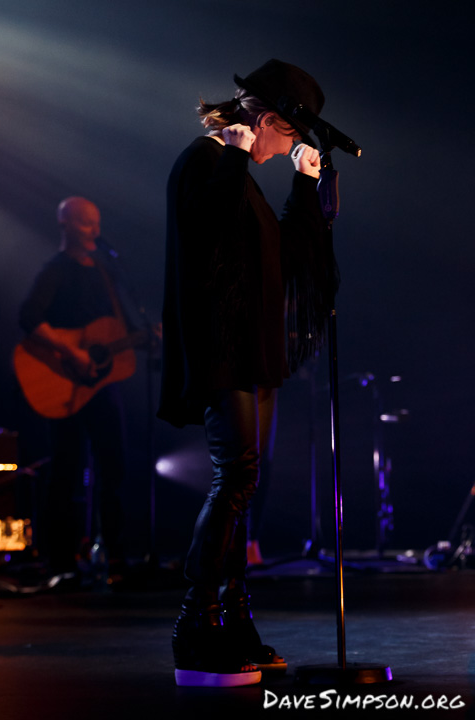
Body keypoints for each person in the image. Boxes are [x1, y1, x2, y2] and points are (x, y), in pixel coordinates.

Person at [158, 59, 338, 687]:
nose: (287, 147)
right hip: (220, 348)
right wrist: (236, 161)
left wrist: (305, 187)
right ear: (264, 121)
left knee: (244, 479)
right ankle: (195, 625)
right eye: (289, 137)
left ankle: (233, 622)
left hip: (251, 349)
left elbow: (279, 255)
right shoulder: (207, 162)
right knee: (233, 475)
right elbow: (203, 237)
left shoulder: (243, 175)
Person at [18, 197, 133, 586]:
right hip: (64, 382)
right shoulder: (56, 269)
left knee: (113, 466)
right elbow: (28, 316)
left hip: (99, 385)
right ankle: (62, 562)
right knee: (65, 471)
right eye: (86, 224)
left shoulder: (104, 271)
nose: (95, 232)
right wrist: (72, 352)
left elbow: (111, 333)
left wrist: (144, 336)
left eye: (96, 224)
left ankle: (114, 557)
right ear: (66, 225)